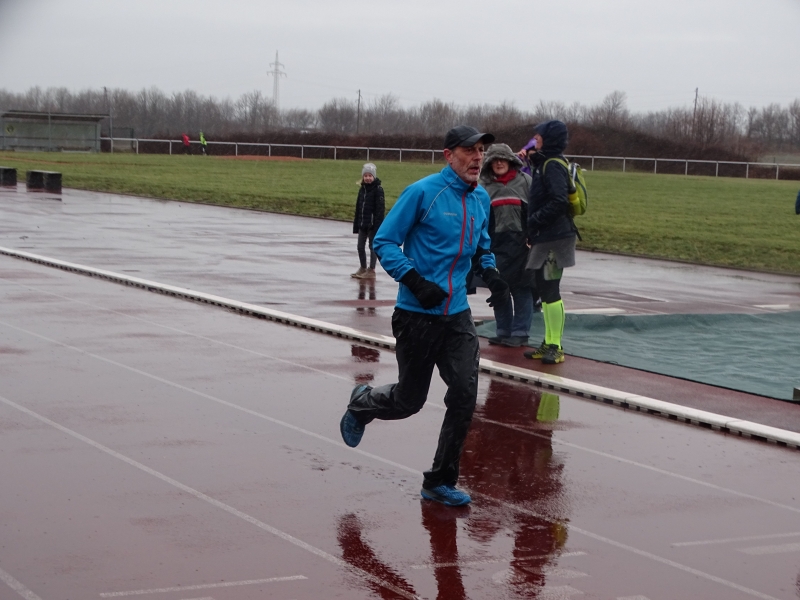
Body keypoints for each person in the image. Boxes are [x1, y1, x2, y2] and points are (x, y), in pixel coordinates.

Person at [339, 125, 509, 507]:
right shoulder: (423, 193)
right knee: (409, 401)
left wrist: (492, 274)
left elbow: (483, 247)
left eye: (481, 151)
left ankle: (439, 481)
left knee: (464, 395)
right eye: (470, 150)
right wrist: (415, 281)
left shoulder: (481, 198)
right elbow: (384, 240)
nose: (478, 158)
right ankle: (362, 403)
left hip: (457, 317)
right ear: (449, 155)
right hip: (416, 315)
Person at [522, 120, 577, 365]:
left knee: (551, 290)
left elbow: (558, 201)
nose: (535, 139)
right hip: (545, 236)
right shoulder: (544, 163)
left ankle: (556, 346)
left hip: (556, 238)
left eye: (539, 136)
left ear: (550, 139)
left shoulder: (553, 165)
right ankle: (548, 341)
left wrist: (534, 221)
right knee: (544, 290)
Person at [479, 143, 534, 347]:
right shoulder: (483, 186)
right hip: (495, 244)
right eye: (495, 160)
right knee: (499, 288)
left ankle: (520, 332)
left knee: (521, 288)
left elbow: (536, 211)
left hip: (522, 244)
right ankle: (503, 330)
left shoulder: (526, 181)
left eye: (502, 159)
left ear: (511, 161)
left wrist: (533, 236)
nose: (499, 163)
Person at [351, 163, 385, 279]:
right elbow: (358, 207)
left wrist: (377, 226)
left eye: (370, 176)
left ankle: (371, 270)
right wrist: (357, 224)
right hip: (362, 224)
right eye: (365, 176)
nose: (368, 178)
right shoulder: (362, 190)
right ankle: (363, 267)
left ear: (374, 176)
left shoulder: (378, 190)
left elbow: (380, 210)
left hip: (372, 225)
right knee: (360, 247)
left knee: (372, 247)